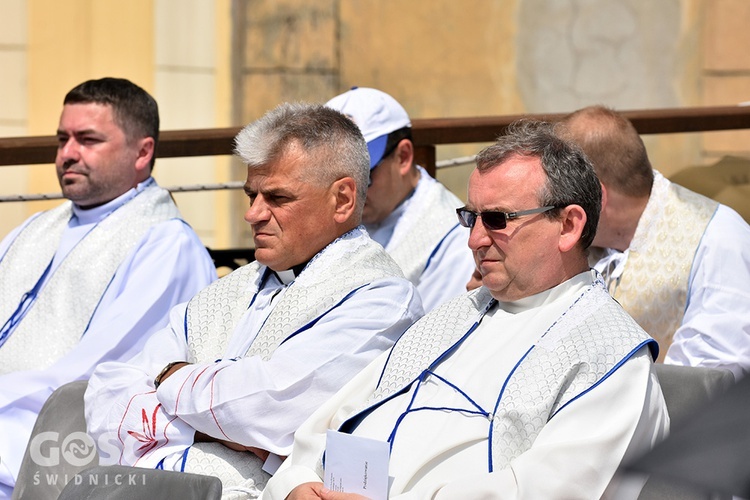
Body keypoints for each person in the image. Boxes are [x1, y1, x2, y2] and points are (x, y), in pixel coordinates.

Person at [262, 120, 669, 500]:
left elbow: (540, 491)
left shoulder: (613, 361)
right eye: (470, 217)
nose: (475, 240)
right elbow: (332, 420)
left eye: (496, 219)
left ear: (568, 226)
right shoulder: (453, 316)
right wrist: (298, 483)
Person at [83, 102, 423, 497]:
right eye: (251, 195)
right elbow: (106, 395)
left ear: (343, 199)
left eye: (277, 198)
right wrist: (224, 429)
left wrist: (168, 379)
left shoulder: (380, 298)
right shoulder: (226, 290)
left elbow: (269, 406)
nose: (254, 214)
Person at [0, 77, 217, 496]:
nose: (67, 154)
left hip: (51, 441)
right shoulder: (36, 227)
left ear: (143, 152)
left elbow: (94, 370)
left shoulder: (166, 245)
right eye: (62, 138)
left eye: (88, 139)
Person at [558, 105, 750, 380]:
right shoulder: (566, 240)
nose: (551, 211)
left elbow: (712, 377)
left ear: (597, 197)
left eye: (558, 196)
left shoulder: (720, 240)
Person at [325, 87, 476, 312]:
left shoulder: (452, 243)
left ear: (403, 157)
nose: (347, 194)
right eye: (330, 178)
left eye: (363, 175)